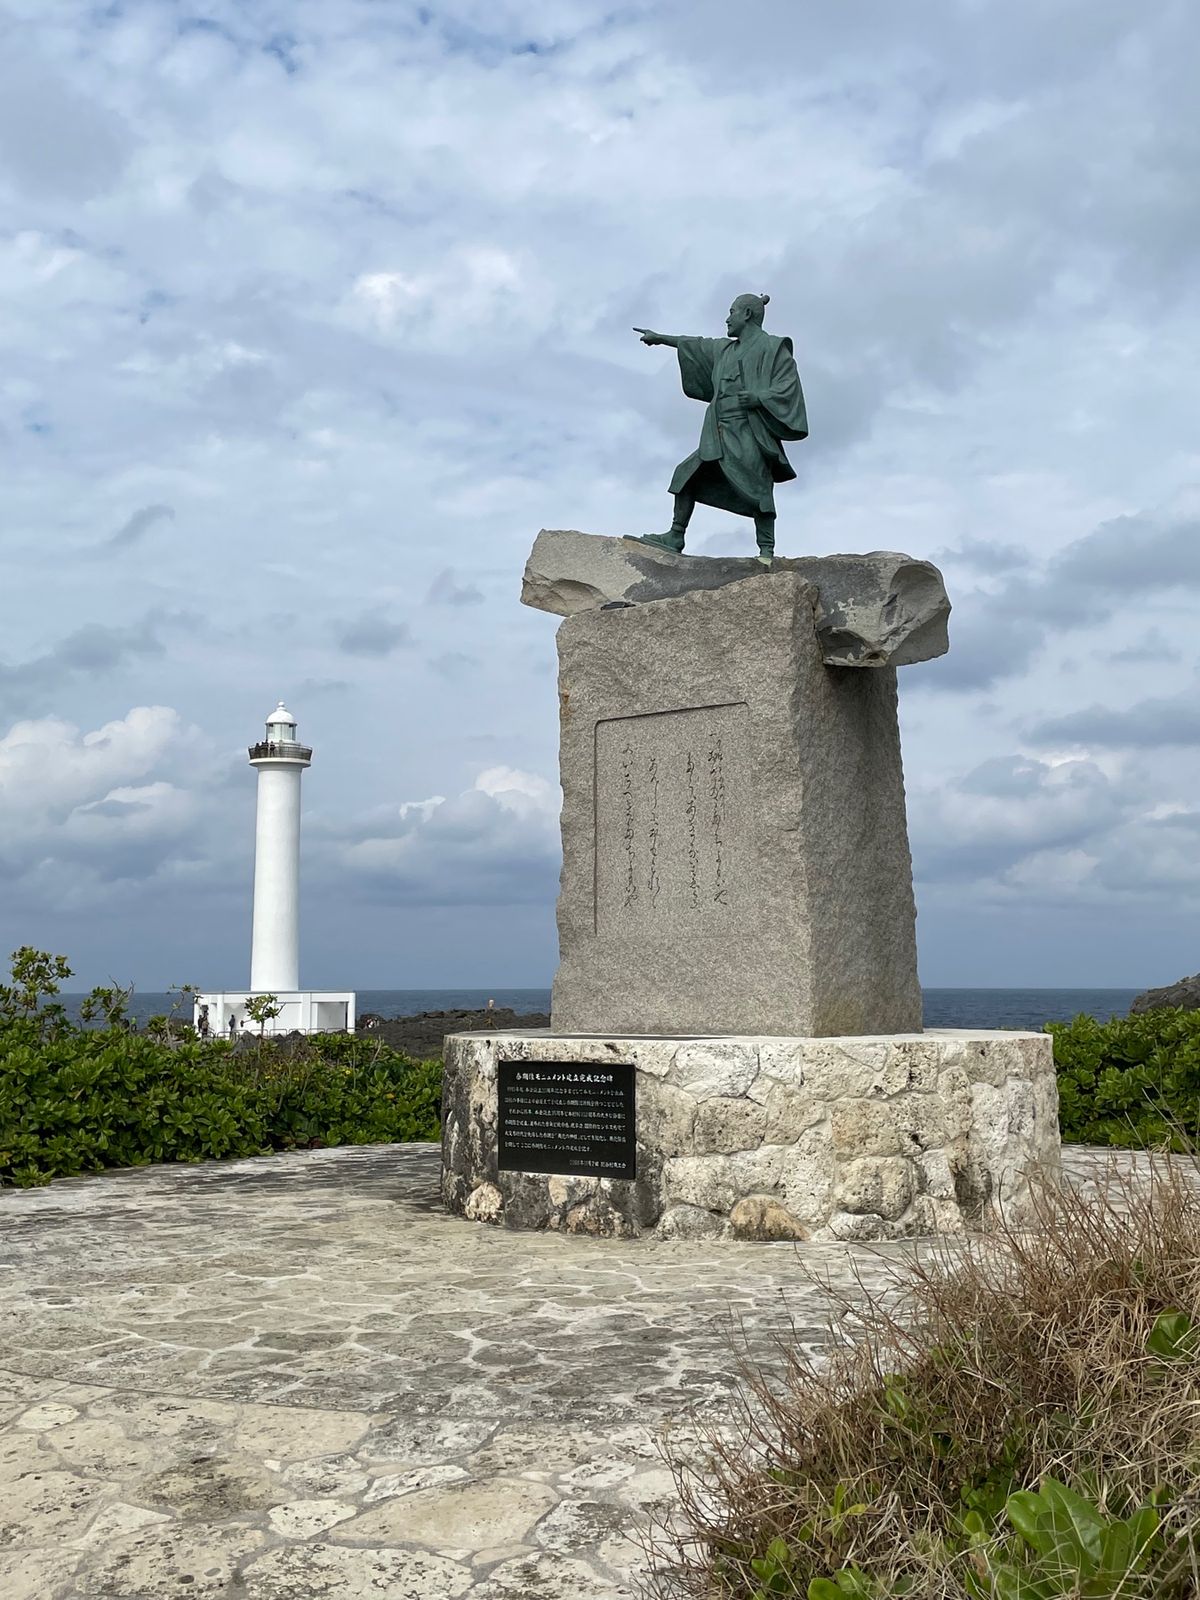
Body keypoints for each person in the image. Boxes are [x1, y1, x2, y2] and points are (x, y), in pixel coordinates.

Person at [629, 293, 807, 563]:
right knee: (685, 475)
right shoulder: (725, 350)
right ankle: (676, 535)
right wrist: (661, 338)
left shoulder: (773, 348)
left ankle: (766, 551)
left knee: (758, 488)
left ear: (747, 314)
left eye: (732, 312)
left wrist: (760, 398)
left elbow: (788, 386)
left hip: (749, 429)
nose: (727, 318)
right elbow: (695, 344)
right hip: (719, 431)